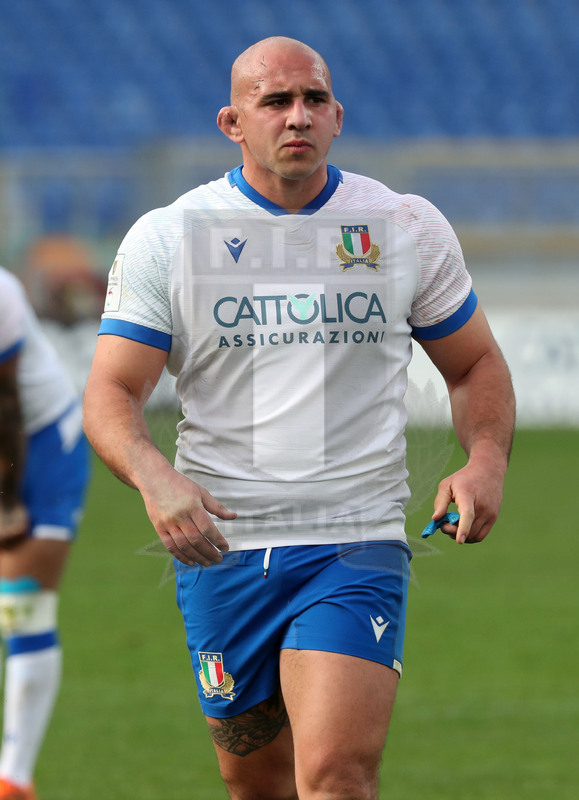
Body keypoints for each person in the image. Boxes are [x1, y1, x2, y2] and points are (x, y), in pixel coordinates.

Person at [82, 36, 515, 800]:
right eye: (274, 101)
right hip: (222, 550)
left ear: (337, 115)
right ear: (232, 121)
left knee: (336, 777)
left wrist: (484, 459)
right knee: (257, 786)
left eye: (313, 100)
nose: (296, 117)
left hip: (353, 542)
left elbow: (474, 363)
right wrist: (154, 478)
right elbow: (110, 393)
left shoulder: (398, 225)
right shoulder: (172, 237)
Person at [0, 267, 90, 800]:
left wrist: (7, 504)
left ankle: (14, 778)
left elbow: (4, 405)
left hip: (41, 444)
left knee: (20, 603)